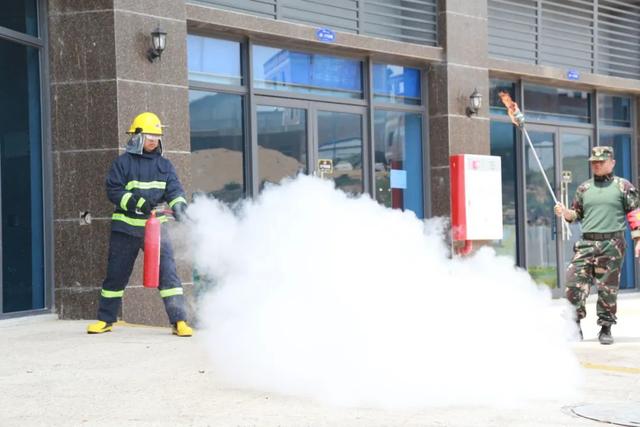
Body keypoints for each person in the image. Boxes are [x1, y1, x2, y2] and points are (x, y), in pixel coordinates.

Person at [86, 112, 193, 337]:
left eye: (156, 136)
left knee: (168, 275)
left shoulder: (165, 165)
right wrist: (137, 202)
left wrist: (180, 205)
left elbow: (174, 190)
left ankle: (179, 321)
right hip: (125, 228)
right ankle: (105, 320)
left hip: (156, 230)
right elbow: (113, 190)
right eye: (148, 135)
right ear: (136, 137)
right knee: (116, 275)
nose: (153, 140)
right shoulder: (122, 163)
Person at [554, 146, 640, 345]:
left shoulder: (623, 186)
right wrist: (566, 213)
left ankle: (605, 327)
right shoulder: (584, 188)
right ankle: (575, 325)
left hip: (612, 244)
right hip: (586, 243)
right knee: (573, 284)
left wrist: (638, 240)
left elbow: (635, 215)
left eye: (601, 162)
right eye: (594, 162)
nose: (597, 165)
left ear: (612, 163)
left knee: (607, 288)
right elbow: (577, 214)